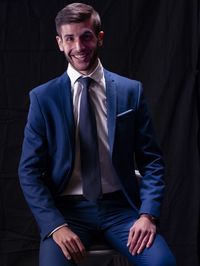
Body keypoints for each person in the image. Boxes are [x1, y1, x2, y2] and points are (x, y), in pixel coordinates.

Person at [18, 3, 176, 266]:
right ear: (60, 43)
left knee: (162, 263)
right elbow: (28, 171)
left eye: (86, 36)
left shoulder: (130, 91)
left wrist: (147, 215)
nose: (78, 46)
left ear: (99, 38)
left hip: (121, 210)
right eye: (70, 38)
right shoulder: (43, 98)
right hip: (68, 212)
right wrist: (56, 225)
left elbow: (152, 161)